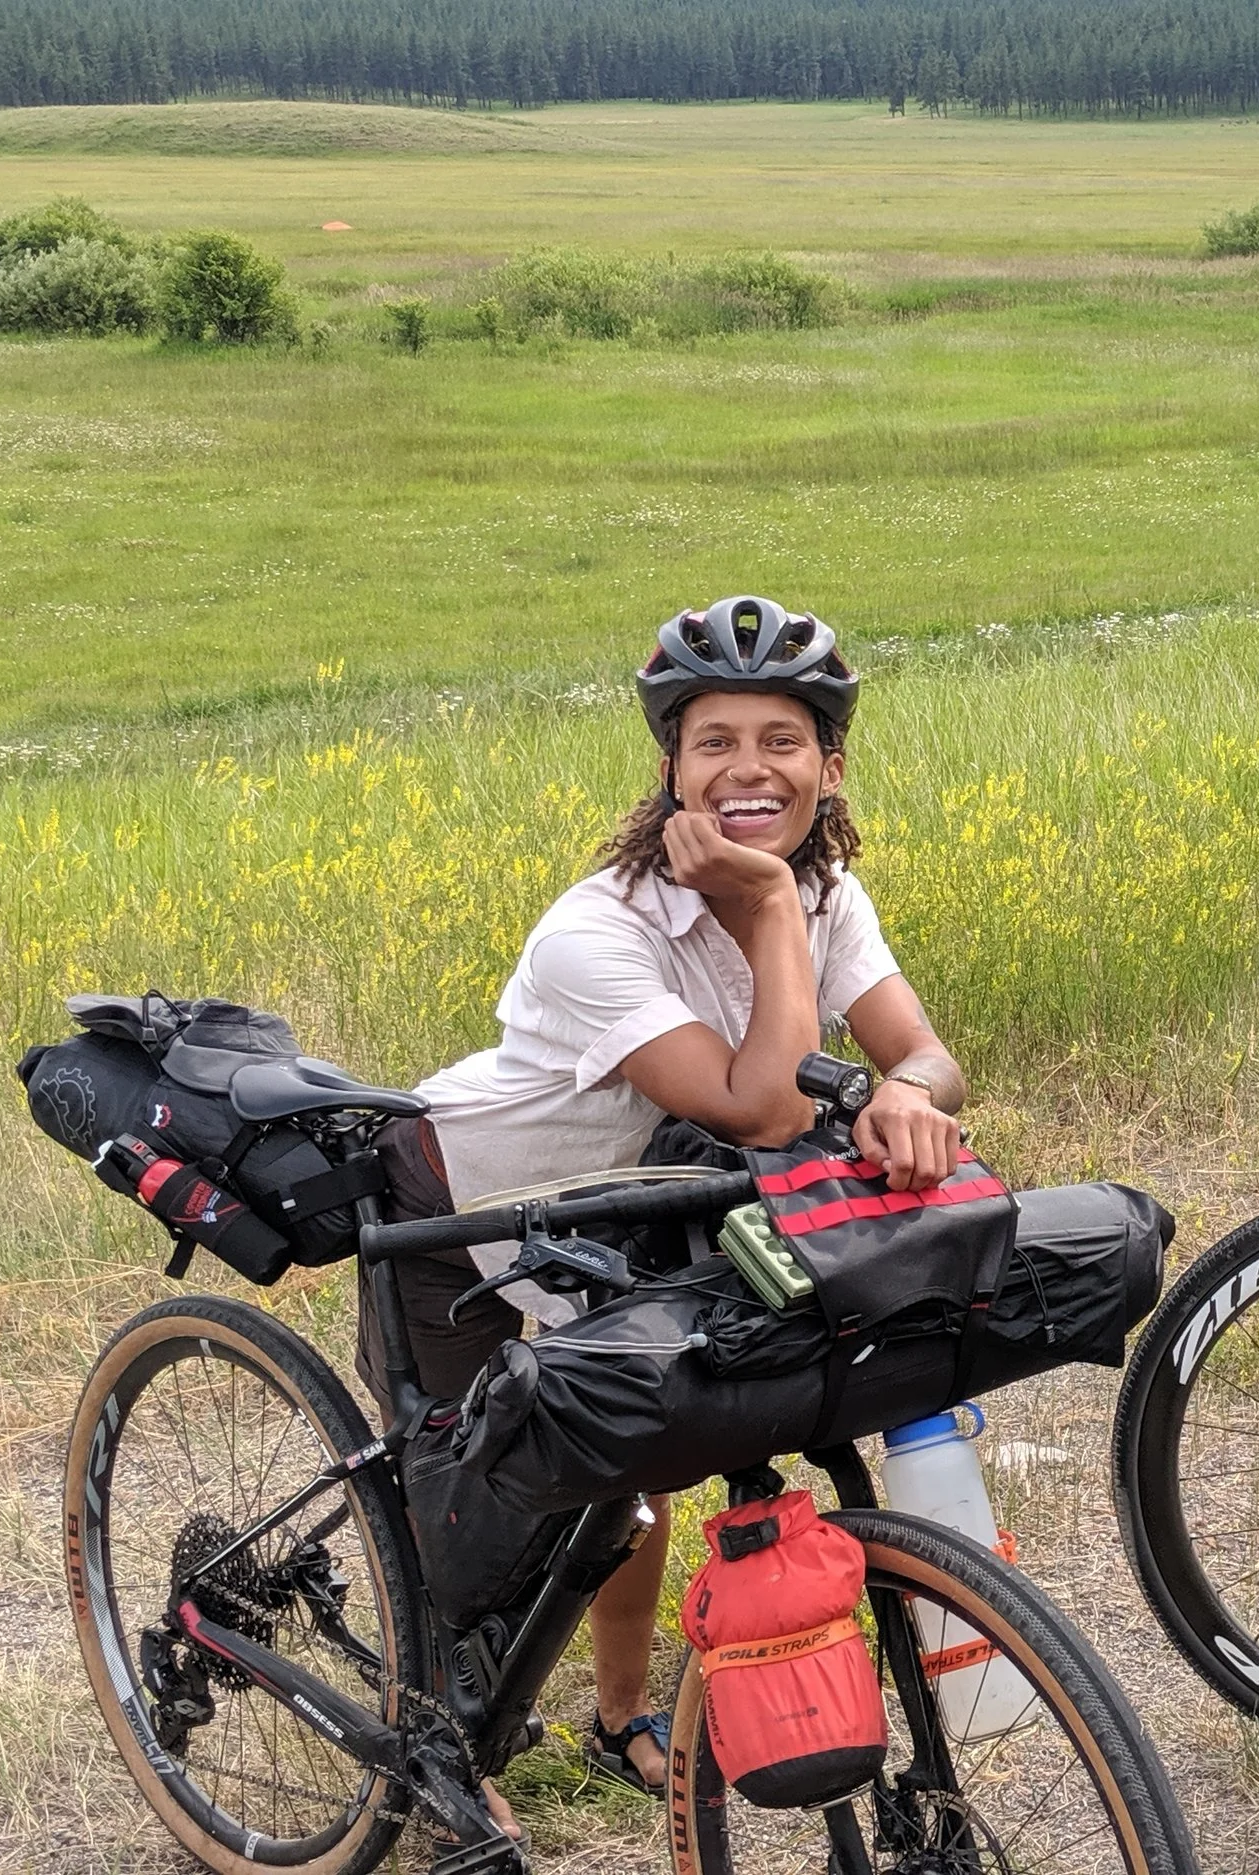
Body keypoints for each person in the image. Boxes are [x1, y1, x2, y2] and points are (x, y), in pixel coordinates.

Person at [358, 595, 966, 1808]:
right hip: (464, 1197)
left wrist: (907, 1089)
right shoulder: (599, 928)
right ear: (672, 770)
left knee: (638, 1464)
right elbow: (762, 1111)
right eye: (714, 742)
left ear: (831, 766)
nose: (750, 768)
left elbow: (926, 1053)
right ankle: (428, 1750)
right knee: (466, 1503)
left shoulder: (828, 896)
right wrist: (771, 907)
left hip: (625, 1208)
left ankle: (618, 1714)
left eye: (782, 740)